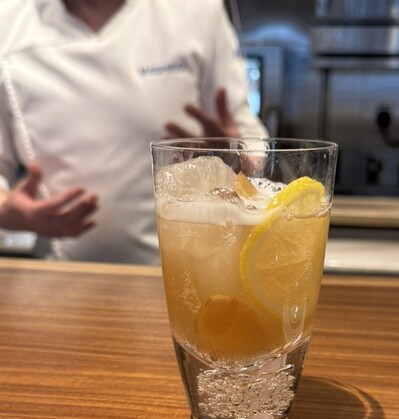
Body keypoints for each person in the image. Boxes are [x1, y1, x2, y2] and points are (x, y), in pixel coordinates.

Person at [0, 0, 268, 264]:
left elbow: (250, 143)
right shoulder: (8, 21)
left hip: (194, 266)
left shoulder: (198, 10)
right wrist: (8, 213)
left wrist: (236, 158)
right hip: (60, 271)